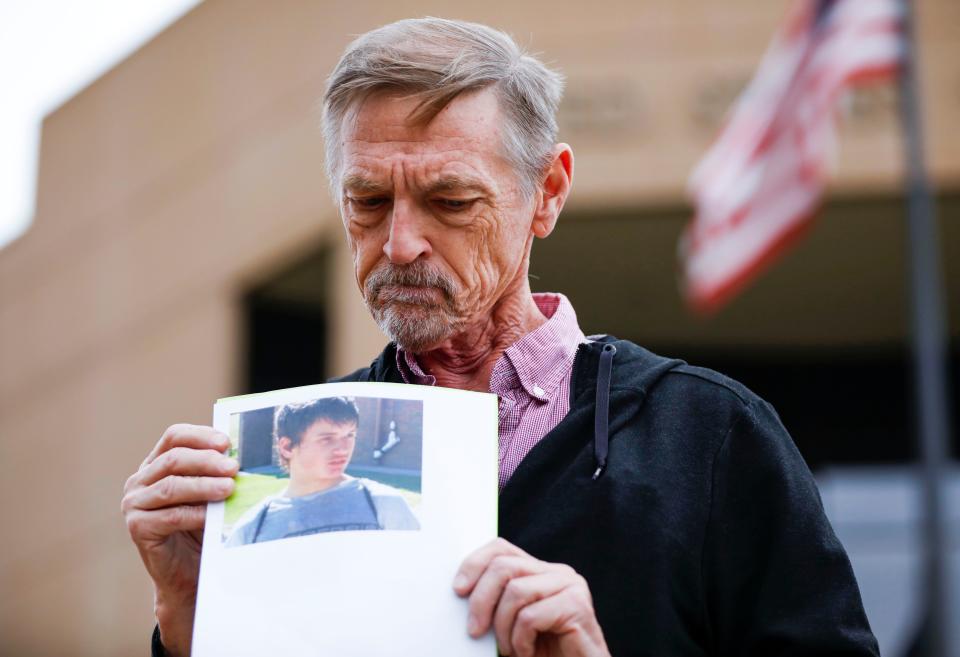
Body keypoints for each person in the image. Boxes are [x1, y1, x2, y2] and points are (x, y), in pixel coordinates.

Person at [121, 17, 880, 657]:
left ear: (546, 193)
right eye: (369, 199)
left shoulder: (710, 434)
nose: (399, 243)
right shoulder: (292, 455)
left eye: (449, 199)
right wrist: (190, 617)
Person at [224, 397, 419, 547]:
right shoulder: (253, 526)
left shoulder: (385, 504)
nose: (343, 448)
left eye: (349, 435)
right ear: (287, 447)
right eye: (327, 438)